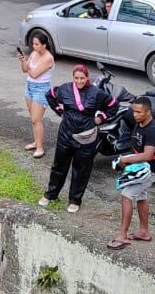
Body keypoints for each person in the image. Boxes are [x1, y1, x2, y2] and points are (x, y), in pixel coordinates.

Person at [39, 65, 110, 213]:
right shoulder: (65, 89)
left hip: (86, 139)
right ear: (73, 77)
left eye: (82, 78)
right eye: (76, 78)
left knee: (81, 170)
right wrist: (60, 111)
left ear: (87, 78)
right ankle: (51, 195)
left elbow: (112, 106)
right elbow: (50, 95)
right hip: (65, 135)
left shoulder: (96, 93)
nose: (79, 81)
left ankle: (75, 200)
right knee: (58, 166)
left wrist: (99, 119)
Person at [108, 96, 155, 249]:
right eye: (134, 111)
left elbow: (146, 155)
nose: (135, 115)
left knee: (126, 195)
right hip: (139, 169)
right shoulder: (139, 123)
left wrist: (125, 160)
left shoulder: (152, 130)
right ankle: (144, 232)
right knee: (141, 197)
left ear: (148, 112)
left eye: (139, 112)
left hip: (148, 171)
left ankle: (122, 235)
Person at [19, 32, 55, 159]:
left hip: (41, 89)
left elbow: (34, 74)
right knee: (32, 118)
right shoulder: (34, 54)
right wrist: (23, 60)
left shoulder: (48, 58)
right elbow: (25, 70)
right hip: (30, 87)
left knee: (36, 119)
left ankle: (40, 148)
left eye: (37, 44)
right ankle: (36, 142)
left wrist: (28, 68)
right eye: (33, 44)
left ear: (44, 45)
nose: (34, 47)